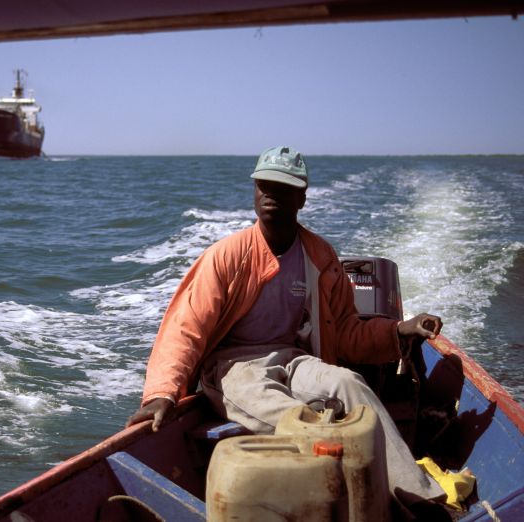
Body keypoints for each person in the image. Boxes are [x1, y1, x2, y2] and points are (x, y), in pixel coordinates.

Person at [127, 146, 445, 507]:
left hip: (293, 359)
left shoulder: (320, 258)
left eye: (282, 189)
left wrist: (399, 330)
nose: (270, 196)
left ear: (302, 199)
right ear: (254, 193)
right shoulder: (227, 256)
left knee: (349, 383)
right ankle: (345, 499)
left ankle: (422, 500)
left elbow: (345, 332)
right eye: (264, 186)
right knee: (295, 419)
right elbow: (185, 329)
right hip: (234, 367)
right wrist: (161, 395)